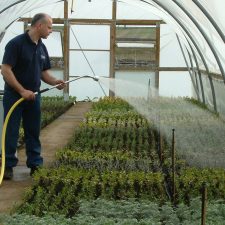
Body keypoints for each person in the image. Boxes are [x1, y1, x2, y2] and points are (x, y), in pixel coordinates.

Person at [1, 13, 65, 180]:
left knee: (33, 131)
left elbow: (43, 72)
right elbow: (5, 70)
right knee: (11, 131)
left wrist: (55, 81)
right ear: (39, 26)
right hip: (15, 96)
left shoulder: (41, 47)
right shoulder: (16, 44)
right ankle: (7, 165)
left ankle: (35, 164)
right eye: (49, 27)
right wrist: (22, 91)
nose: (51, 30)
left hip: (34, 97)